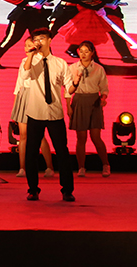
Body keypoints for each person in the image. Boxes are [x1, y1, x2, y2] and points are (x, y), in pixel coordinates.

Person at [20, 28, 77, 202]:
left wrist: (76, 83)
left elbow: (69, 88)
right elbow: (25, 75)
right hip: (35, 112)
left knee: (62, 152)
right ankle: (33, 189)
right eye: (36, 39)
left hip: (55, 113)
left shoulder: (60, 63)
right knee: (31, 152)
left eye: (42, 39)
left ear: (50, 41)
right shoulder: (28, 61)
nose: (38, 42)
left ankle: (67, 190)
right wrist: (31, 55)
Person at [11, 37, 55, 178]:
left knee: (39, 135)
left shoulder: (42, 61)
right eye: (25, 45)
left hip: (36, 97)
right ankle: (22, 168)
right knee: (23, 135)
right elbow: (19, 83)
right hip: (23, 96)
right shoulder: (23, 61)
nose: (27, 48)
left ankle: (49, 167)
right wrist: (16, 103)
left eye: (30, 45)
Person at [66, 41, 111, 177]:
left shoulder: (98, 69)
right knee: (81, 137)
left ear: (92, 53)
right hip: (79, 101)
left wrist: (103, 98)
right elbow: (68, 89)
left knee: (96, 136)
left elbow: (104, 88)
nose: (83, 54)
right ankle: (81, 167)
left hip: (94, 102)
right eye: (81, 51)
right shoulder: (72, 68)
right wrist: (68, 106)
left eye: (87, 51)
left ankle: (106, 165)